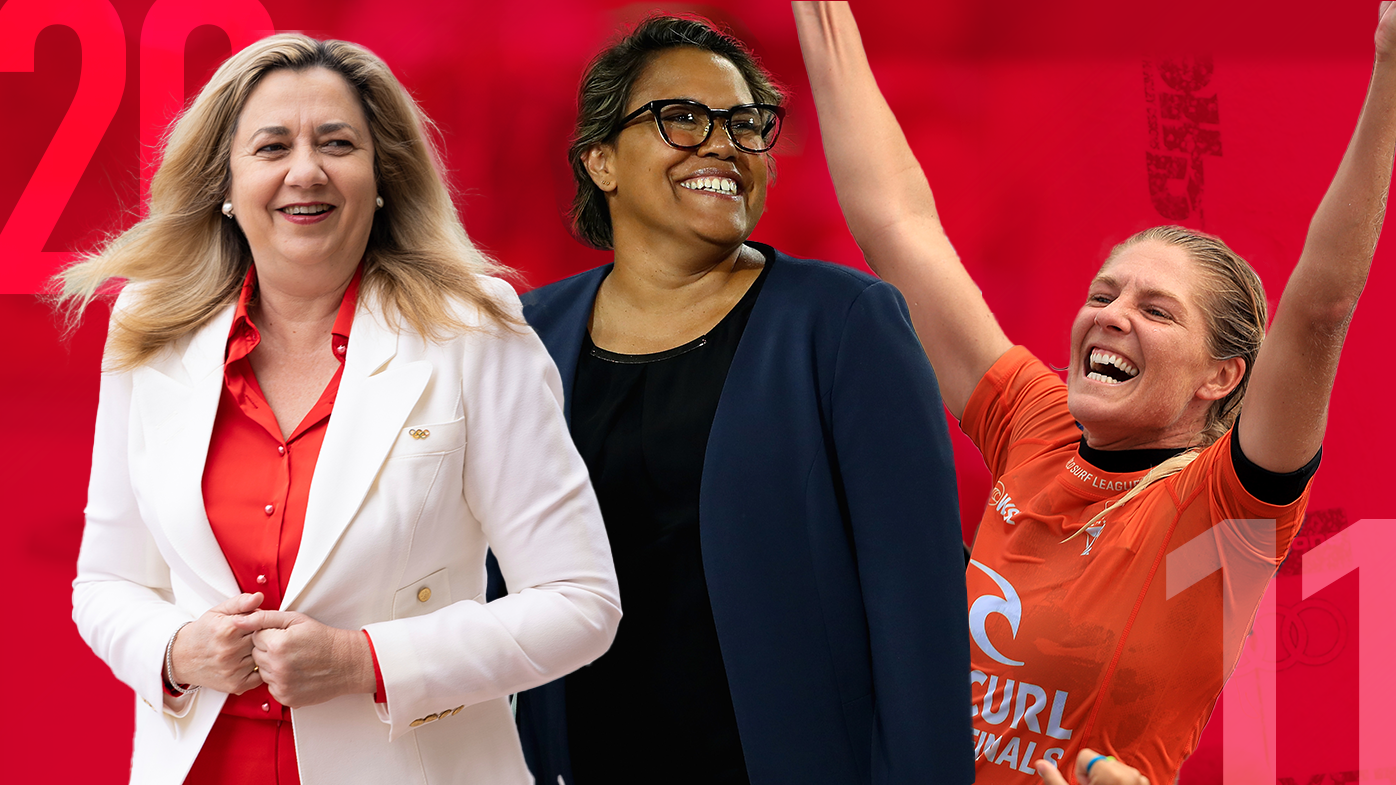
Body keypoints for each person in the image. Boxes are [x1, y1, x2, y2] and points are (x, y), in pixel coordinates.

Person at [794, 2, 1395, 782]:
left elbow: (1319, 312)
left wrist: (1388, 66)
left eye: (1154, 309)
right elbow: (895, 221)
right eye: (1104, 294)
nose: (1111, 317)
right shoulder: (1034, 421)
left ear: (1222, 376)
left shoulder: (1225, 513)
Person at [61, 34, 620, 785]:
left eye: (337, 142)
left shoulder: (472, 328)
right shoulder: (149, 327)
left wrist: (366, 660)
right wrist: (176, 648)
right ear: (224, 181)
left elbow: (580, 602)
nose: (305, 170)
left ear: (381, 173)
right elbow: (105, 582)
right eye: (271, 146)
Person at [498, 14, 973, 785]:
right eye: (681, 117)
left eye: (746, 124)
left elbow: (919, 613)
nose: (724, 143)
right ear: (600, 161)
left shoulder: (845, 324)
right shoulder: (523, 336)